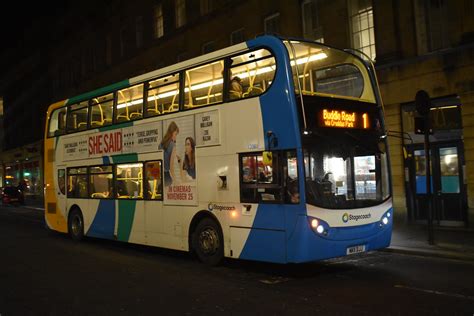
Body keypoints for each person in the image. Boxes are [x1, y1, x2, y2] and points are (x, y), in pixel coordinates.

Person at [159, 121, 179, 186]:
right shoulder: (173, 146)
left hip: (160, 176)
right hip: (167, 177)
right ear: (172, 132)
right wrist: (176, 181)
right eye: (175, 134)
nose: (176, 137)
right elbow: (171, 168)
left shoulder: (161, 144)